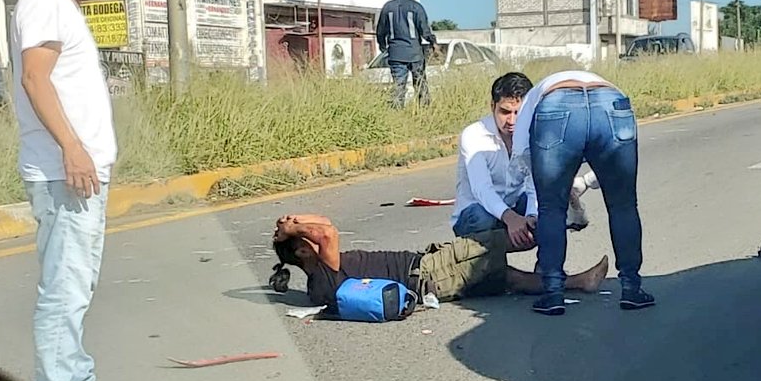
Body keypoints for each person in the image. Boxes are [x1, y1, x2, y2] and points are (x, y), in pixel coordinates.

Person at [10, 0, 124, 381]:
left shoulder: (60, 4)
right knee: (64, 288)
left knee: (78, 282)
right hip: (64, 171)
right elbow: (36, 80)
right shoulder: (45, 2)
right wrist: (72, 150)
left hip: (76, 168)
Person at [511, 70, 653, 317]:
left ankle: (553, 293)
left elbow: (522, 152)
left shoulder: (534, 98)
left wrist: (548, 189)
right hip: (611, 101)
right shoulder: (598, 81)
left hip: (557, 106)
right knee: (624, 205)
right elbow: (609, 167)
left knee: (551, 209)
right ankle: (632, 289)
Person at [270, 214, 609, 312]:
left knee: (508, 278)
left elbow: (324, 223)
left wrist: (293, 221)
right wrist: (293, 229)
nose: (314, 238)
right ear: (303, 253)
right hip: (430, 272)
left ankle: (578, 281)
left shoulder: (319, 277)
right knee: (499, 239)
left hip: (429, 273)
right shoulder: (325, 276)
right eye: (306, 240)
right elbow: (327, 231)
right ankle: (562, 223)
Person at [452, 72, 593, 249]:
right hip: (475, 214)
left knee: (550, 210)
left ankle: (549, 266)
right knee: (483, 218)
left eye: (518, 113)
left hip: (515, 206)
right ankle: (484, 261)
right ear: (492, 106)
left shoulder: (534, 134)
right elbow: (482, 189)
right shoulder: (474, 135)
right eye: (505, 112)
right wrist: (511, 218)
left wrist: (532, 216)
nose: (511, 120)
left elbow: (534, 183)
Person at [375, 0, 437, 108]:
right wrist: (433, 42)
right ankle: (424, 111)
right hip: (415, 53)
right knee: (420, 85)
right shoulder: (416, 7)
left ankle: (396, 113)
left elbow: (380, 30)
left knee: (398, 87)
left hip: (395, 53)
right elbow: (424, 30)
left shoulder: (388, 7)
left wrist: (382, 45)